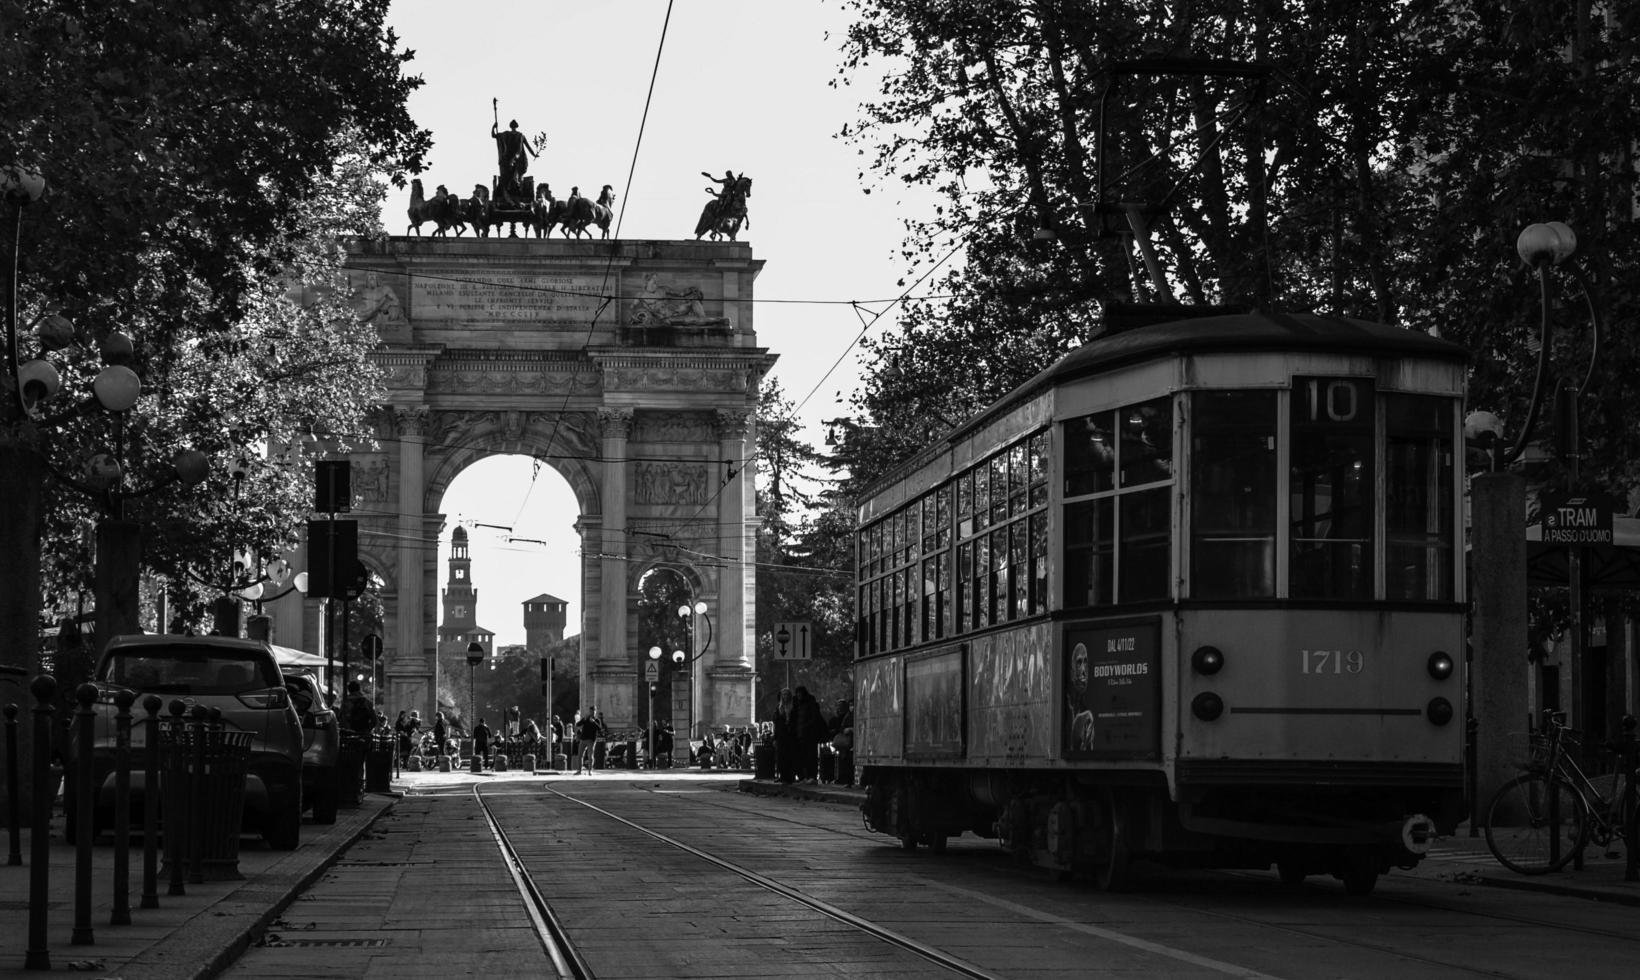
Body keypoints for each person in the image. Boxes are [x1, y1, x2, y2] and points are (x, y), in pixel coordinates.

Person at [491, 117, 538, 206]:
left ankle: (515, 197)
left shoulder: (519, 136)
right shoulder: (507, 134)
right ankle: (511, 199)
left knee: (516, 179)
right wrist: (534, 154)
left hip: (518, 161)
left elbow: (493, 135)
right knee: (510, 180)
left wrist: (493, 127)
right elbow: (494, 136)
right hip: (508, 161)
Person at [792, 686, 827, 784]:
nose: (798, 695)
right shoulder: (797, 705)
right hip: (800, 734)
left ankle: (812, 776)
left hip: (809, 735)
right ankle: (804, 776)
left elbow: (815, 718)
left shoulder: (811, 704)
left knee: (811, 756)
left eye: (800, 693)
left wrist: (806, 727)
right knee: (802, 756)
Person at [1066, 642, 1096, 751]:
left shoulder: (1085, 710)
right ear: (1071, 669)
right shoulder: (1065, 708)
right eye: (1079, 663)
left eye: (1085, 662)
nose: (1084, 671)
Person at [772, 688, 797, 784]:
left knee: (790, 756)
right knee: (780, 757)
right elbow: (776, 723)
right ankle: (782, 776)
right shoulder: (779, 708)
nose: (785, 696)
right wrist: (775, 737)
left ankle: (790, 777)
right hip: (781, 735)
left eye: (787, 694)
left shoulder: (793, 707)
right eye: (783, 694)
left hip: (790, 735)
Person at [829, 699, 855, 787]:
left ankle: (848, 780)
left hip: (852, 740)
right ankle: (845, 779)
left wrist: (851, 729)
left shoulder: (849, 715)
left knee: (848, 761)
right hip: (847, 741)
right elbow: (841, 727)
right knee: (844, 760)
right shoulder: (847, 715)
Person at [575, 708, 603, 774]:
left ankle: (590, 770)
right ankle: (579, 770)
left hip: (591, 740)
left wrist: (594, 722)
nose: (592, 713)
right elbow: (577, 724)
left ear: (595, 712)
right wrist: (583, 720)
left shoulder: (597, 720)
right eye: (591, 711)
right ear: (589, 712)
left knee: (590, 755)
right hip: (583, 739)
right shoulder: (586, 719)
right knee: (580, 755)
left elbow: (599, 729)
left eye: (593, 712)